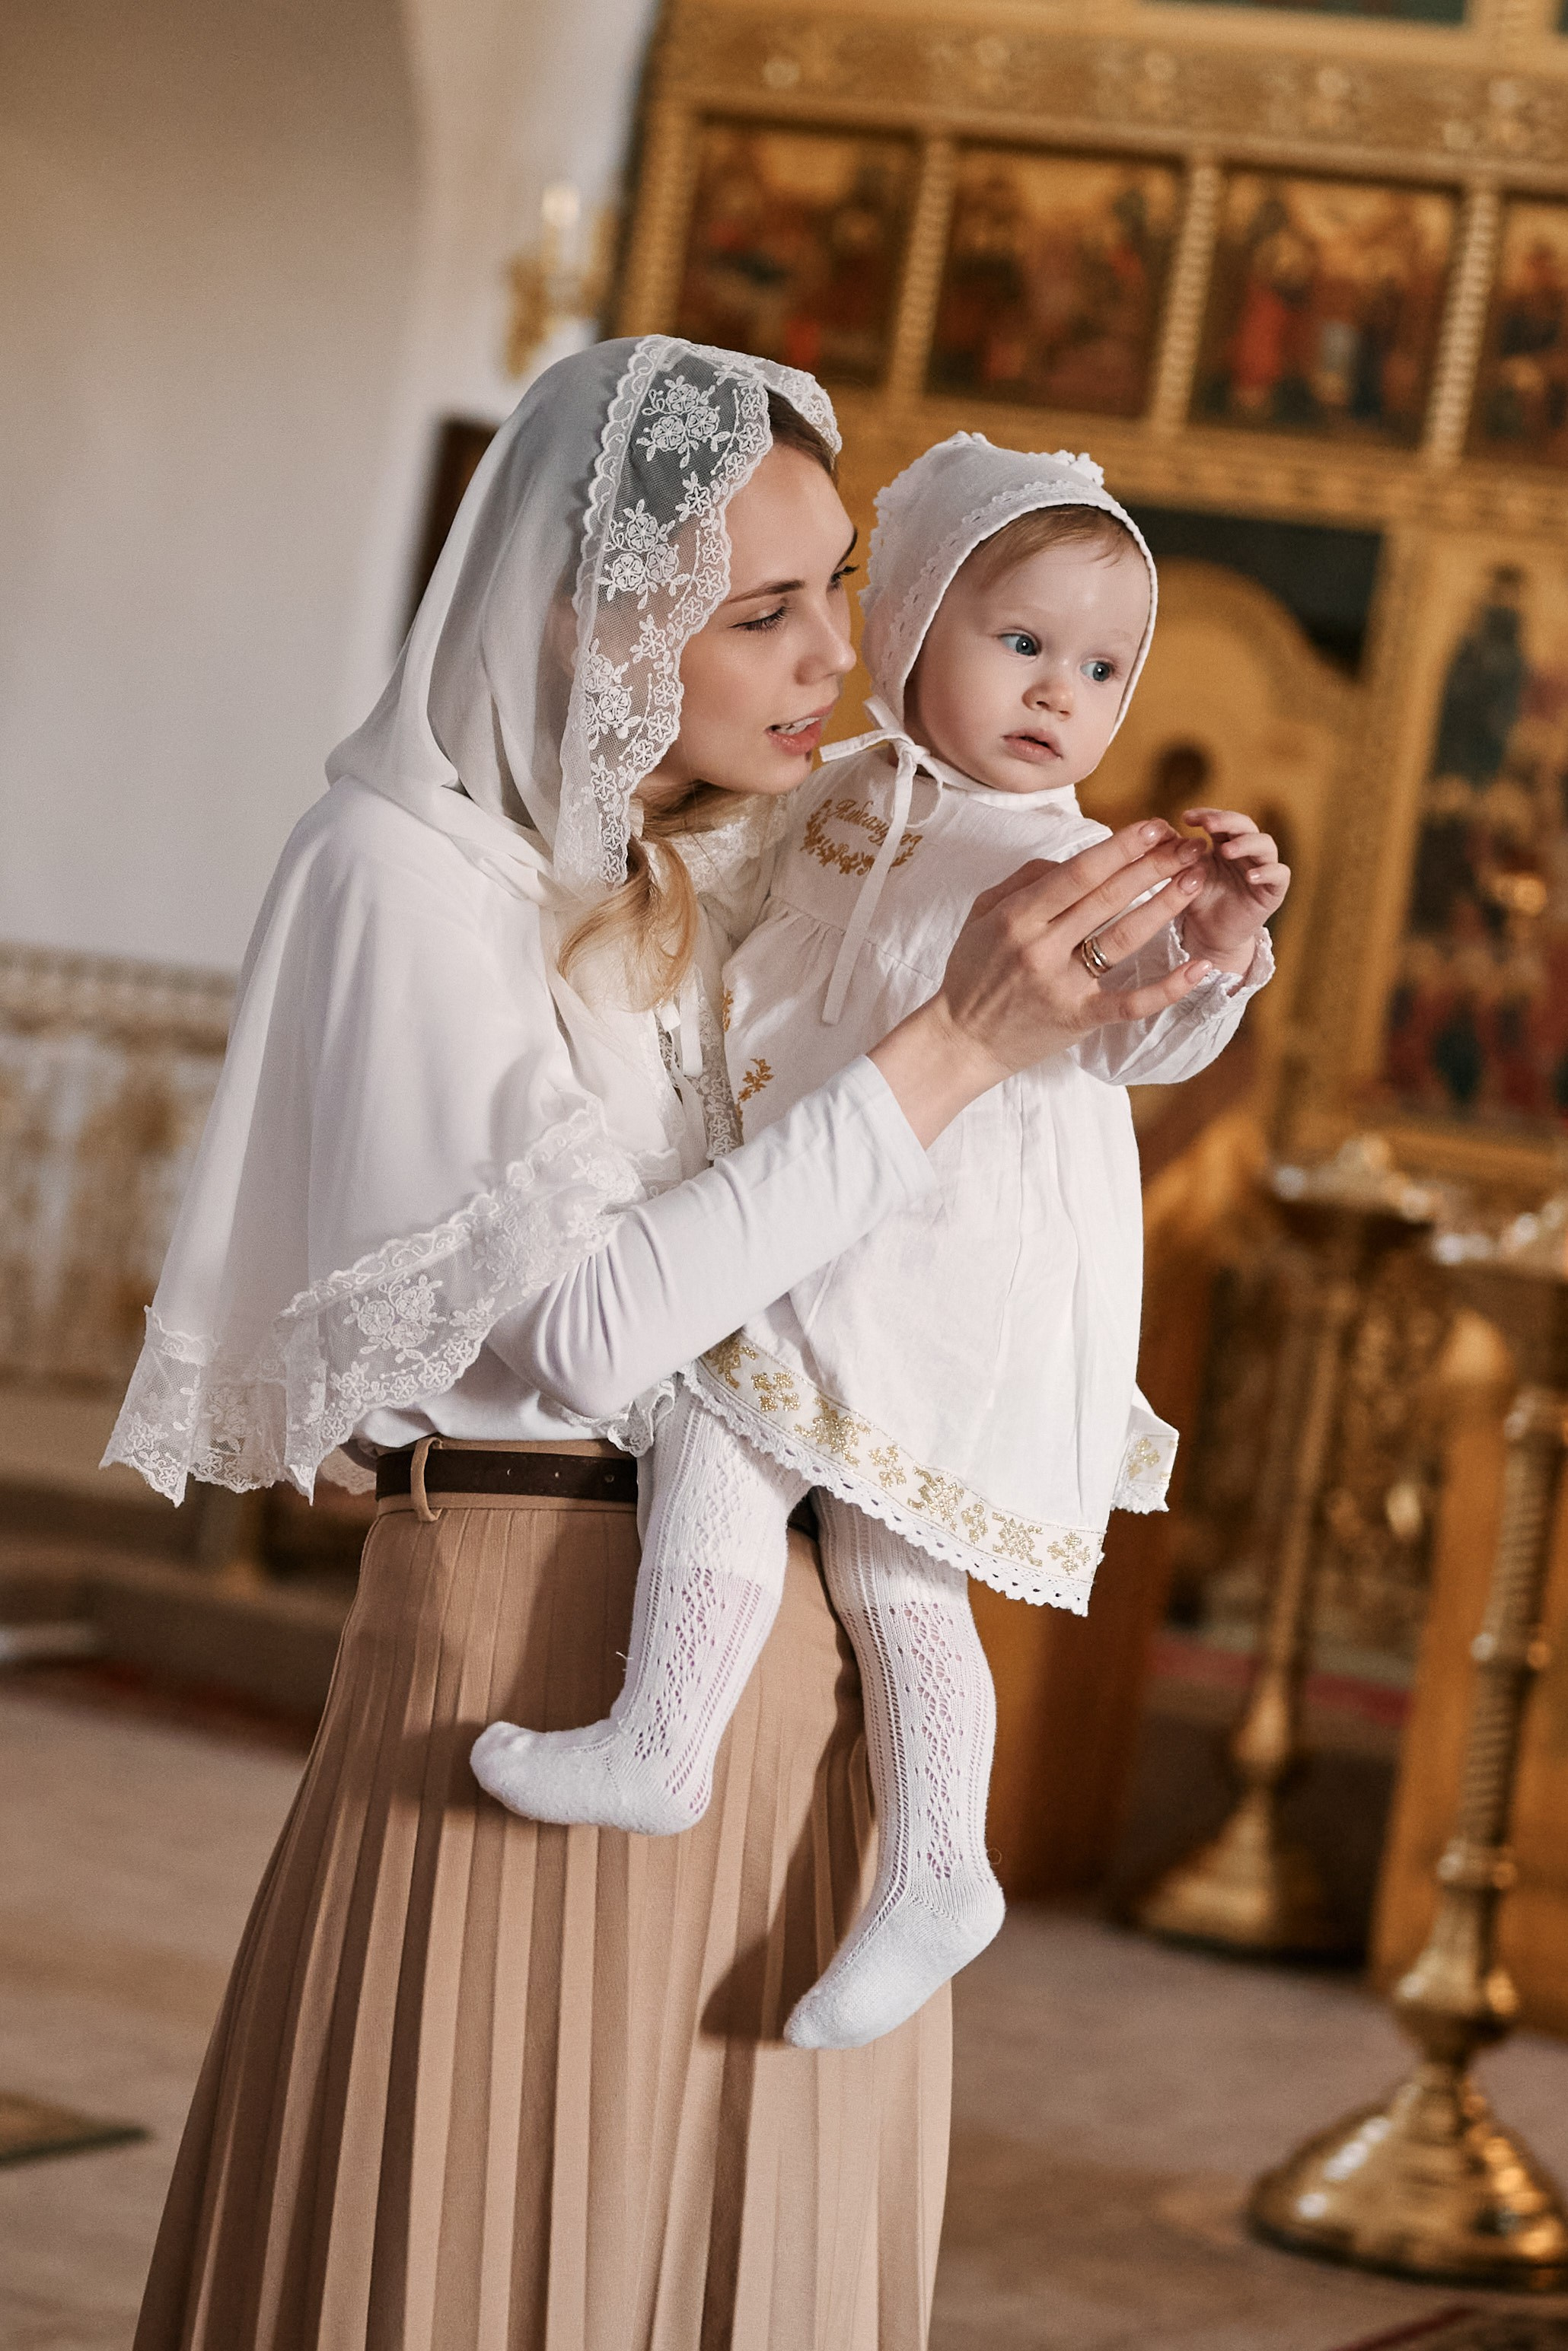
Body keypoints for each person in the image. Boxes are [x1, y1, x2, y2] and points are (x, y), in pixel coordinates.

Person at [108, 339, 1225, 2349]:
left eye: (840, 592)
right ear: (592, 610)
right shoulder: (400, 872)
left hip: (773, 1671)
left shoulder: (700, 876)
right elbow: (578, 1329)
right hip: (527, 1634)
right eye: (769, 610)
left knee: (729, 2260)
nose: (837, 656)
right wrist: (952, 1043)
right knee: (459, 2248)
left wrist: (1129, 986)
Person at [473, 435, 1286, 2054]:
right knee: (727, 1431)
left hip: (945, 1261)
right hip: (816, 1217)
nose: (1064, 693)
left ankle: (930, 1870)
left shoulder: (1077, 863)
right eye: (1024, 643)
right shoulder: (831, 790)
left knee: (893, 1560)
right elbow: (694, 875)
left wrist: (1214, 954)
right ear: (909, 623)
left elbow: (1135, 1043)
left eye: (1106, 666)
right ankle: (669, 1742)